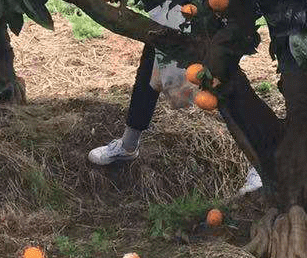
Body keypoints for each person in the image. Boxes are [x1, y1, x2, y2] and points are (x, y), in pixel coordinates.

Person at [86, 37, 262, 194]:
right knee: (151, 61)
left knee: (222, 76)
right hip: (171, 9)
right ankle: (128, 145)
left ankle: (259, 162)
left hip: (212, 13)